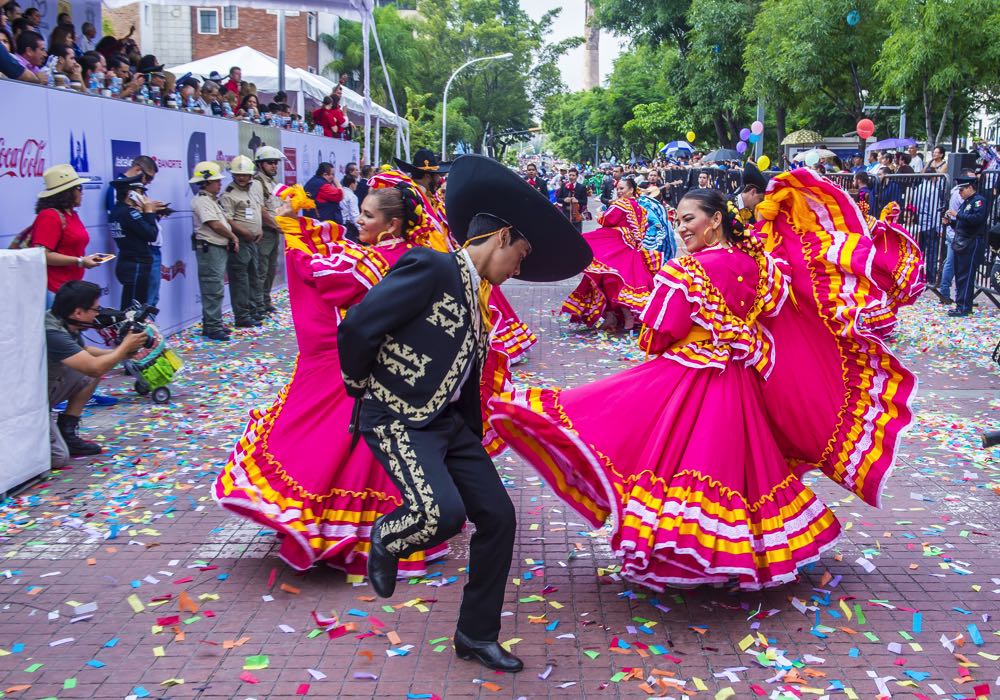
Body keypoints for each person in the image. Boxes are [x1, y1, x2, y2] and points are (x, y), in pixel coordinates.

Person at [488, 175, 917, 591]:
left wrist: (678, 340)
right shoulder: (760, 266)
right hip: (743, 384)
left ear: (714, 220)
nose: (681, 227)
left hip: (690, 381)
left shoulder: (687, 270)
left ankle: (693, 557)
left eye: (689, 218)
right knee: (739, 469)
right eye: (678, 219)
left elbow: (658, 331)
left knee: (654, 449)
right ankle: (735, 557)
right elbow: (775, 316)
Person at [339, 154, 591, 673]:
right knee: (441, 514)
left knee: (499, 518)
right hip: (398, 416)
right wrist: (362, 389)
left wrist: (471, 431)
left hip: (450, 427)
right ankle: (387, 537)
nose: (519, 268)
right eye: (519, 255)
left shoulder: (481, 297)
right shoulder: (430, 266)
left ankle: (476, 634)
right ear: (500, 237)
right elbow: (357, 329)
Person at [215, 182, 463, 574]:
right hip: (398, 374)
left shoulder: (379, 261)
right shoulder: (415, 256)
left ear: (392, 224)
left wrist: (294, 231)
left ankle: (337, 534)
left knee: (333, 447)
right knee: (380, 457)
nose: (358, 221)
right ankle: (380, 535)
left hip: (358, 368)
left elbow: (326, 278)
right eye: (360, 212)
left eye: (367, 216)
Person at [47, 281, 148, 465]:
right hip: (32, 403)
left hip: (49, 386)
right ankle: (46, 430)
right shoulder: (53, 332)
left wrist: (124, 353)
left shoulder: (66, 320)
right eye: (95, 309)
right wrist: (124, 347)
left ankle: (67, 431)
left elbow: (85, 351)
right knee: (59, 458)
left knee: (91, 372)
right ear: (78, 312)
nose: (98, 314)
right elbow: (94, 366)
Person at [563, 176, 659, 331]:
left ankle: (620, 315)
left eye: (622, 188)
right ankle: (613, 316)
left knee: (608, 277)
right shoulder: (641, 209)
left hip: (616, 245)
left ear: (631, 190)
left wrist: (600, 215)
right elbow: (643, 229)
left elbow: (607, 219)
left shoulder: (621, 204)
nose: (619, 191)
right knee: (612, 278)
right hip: (631, 249)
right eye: (618, 189)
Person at [29, 165, 104, 303]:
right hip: (54, 289)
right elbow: (42, 254)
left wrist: (83, 259)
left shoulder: (71, 214)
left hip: (71, 288)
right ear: (67, 192)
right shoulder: (49, 216)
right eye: (79, 188)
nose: (82, 193)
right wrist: (79, 261)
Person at [190, 160, 240, 340]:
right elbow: (214, 224)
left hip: (216, 247)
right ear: (206, 182)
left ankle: (214, 323)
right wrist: (233, 236)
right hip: (209, 248)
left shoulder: (211, 200)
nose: (220, 184)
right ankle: (212, 326)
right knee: (212, 287)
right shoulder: (202, 201)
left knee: (216, 287)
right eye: (216, 181)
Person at [220, 155, 265, 328]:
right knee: (240, 281)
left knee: (254, 277)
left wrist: (258, 229)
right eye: (238, 174)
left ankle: (253, 310)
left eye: (245, 174)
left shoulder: (252, 189)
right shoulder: (229, 194)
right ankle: (242, 315)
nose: (241, 177)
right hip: (241, 243)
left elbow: (256, 212)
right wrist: (244, 232)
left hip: (253, 241)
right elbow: (228, 220)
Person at [108, 176, 160, 309]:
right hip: (136, 265)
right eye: (141, 192)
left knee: (130, 306)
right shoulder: (129, 213)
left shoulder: (116, 211)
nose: (144, 197)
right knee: (133, 310)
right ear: (132, 194)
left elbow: (136, 231)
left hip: (127, 261)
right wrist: (149, 212)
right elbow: (151, 234)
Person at [945, 176, 988, 318]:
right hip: (962, 240)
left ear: (970, 187)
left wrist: (958, 215)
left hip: (971, 242)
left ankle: (964, 306)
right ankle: (960, 304)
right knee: (960, 275)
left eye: (962, 189)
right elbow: (961, 224)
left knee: (967, 275)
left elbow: (976, 219)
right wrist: (949, 222)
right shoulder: (967, 202)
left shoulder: (978, 201)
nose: (960, 193)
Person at [253, 146, 284, 315]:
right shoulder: (257, 183)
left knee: (271, 269)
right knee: (261, 270)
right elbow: (261, 210)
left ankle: (265, 301)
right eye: (270, 163)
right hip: (265, 231)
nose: (274, 166)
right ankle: (258, 304)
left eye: (275, 163)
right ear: (260, 164)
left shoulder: (272, 182)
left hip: (274, 232)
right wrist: (277, 226)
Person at [637, 184, 675, 259]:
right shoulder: (643, 186)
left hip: (652, 231)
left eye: (654, 175)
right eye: (651, 175)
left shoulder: (648, 204)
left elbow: (653, 218)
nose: (652, 177)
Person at [732, 162, 768, 227]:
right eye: (760, 199)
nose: (760, 204)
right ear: (753, 192)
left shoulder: (754, 216)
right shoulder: (726, 204)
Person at [556, 167, 588, 233]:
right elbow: (558, 199)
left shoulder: (581, 187)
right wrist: (564, 200)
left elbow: (585, 202)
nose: (571, 177)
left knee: (577, 233)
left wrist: (577, 201)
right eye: (570, 175)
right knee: (565, 233)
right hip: (565, 213)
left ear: (577, 177)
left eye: (573, 175)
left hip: (576, 213)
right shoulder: (564, 185)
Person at [341, 173, 360, 240]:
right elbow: (354, 215)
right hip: (349, 227)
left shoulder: (339, 192)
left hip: (339, 223)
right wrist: (360, 228)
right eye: (356, 182)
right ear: (352, 184)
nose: (357, 184)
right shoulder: (352, 196)